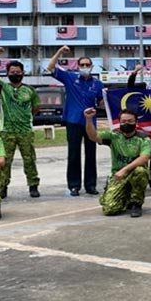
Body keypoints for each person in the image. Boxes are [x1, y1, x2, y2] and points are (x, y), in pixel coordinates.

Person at [47, 46, 104, 196]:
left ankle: (91, 185)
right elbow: (50, 67)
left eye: (87, 65)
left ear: (92, 67)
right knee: (74, 154)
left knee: (91, 154)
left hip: (90, 123)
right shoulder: (70, 78)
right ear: (78, 66)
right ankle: (74, 185)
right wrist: (59, 51)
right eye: (82, 65)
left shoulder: (97, 84)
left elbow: (102, 102)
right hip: (73, 120)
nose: (85, 67)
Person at [0, 47, 41, 198]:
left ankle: (33, 185)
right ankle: (3, 186)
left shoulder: (30, 90)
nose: (15, 74)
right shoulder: (3, 88)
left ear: (23, 73)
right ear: (7, 73)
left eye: (18, 72)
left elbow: (35, 108)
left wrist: (23, 117)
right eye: (12, 72)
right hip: (6, 131)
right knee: (4, 161)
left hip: (25, 131)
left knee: (29, 159)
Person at [84, 107, 150, 217]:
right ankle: (125, 197)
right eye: (123, 121)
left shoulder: (143, 138)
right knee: (110, 209)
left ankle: (136, 203)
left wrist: (125, 169)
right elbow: (93, 136)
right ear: (119, 122)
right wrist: (89, 119)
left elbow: (144, 157)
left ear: (136, 122)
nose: (126, 124)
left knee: (141, 171)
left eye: (130, 121)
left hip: (133, 172)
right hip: (118, 175)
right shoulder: (114, 136)